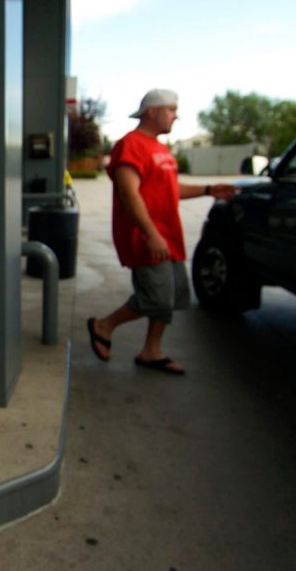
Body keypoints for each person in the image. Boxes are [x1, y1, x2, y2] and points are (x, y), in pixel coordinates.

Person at [86, 89, 237, 375]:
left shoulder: (161, 149)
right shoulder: (130, 145)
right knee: (155, 297)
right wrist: (151, 234)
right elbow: (129, 193)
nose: (175, 116)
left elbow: (171, 189)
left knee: (172, 296)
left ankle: (151, 351)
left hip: (169, 234)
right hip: (145, 236)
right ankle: (103, 326)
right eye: (171, 110)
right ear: (152, 112)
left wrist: (208, 189)